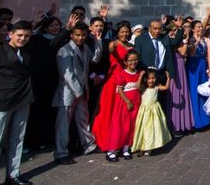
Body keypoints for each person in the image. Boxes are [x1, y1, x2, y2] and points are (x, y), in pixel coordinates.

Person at [52, 22, 102, 165]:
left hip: (82, 91)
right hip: (68, 92)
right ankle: (61, 153)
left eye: (83, 35)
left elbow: (95, 59)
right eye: (77, 35)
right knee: (63, 124)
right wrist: (78, 91)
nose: (80, 38)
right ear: (72, 35)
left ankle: (89, 145)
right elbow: (66, 75)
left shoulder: (85, 48)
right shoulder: (64, 50)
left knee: (83, 120)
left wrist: (98, 42)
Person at [0, 20, 34, 185]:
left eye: (27, 36)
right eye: (20, 35)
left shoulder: (28, 52)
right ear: (11, 34)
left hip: (23, 99)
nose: (23, 39)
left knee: (17, 139)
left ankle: (13, 175)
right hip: (2, 101)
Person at [92, 22, 134, 151]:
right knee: (109, 109)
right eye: (122, 32)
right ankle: (105, 139)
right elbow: (107, 54)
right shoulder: (113, 44)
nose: (124, 34)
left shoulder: (131, 46)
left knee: (122, 112)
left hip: (126, 79)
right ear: (117, 33)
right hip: (113, 79)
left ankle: (122, 139)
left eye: (126, 32)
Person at [24, 16, 61, 150]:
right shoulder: (38, 39)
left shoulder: (62, 40)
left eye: (57, 25)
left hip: (54, 79)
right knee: (35, 112)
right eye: (52, 25)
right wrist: (33, 23)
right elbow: (26, 37)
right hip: (39, 79)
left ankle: (46, 139)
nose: (55, 27)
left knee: (50, 110)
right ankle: (30, 142)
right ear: (45, 28)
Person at [134, 19, 184, 111]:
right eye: (155, 29)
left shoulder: (164, 37)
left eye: (159, 29)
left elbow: (176, 41)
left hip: (161, 74)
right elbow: (138, 57)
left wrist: (179, 27)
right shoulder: (140, 39)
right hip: (147, 75)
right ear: (150, 28)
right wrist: (142, 74)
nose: (157, 31)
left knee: (160, 102)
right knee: (147, 101)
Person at [104, 50, 143, 162]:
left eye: (135, 60)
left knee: (131, 126)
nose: (133, 62)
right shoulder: (122, 74)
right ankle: (111, 150)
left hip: (136, 103)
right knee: (120, 126)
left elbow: (139, 88)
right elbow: (120, 90)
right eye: (130, 60)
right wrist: (127, 101)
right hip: (124, 104)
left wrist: (140, 77)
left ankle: (126, 147)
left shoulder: (137, 73)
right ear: (125, 62)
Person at [131, 70, 171, 156]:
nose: (151, 80)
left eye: (153, 78)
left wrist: (168, 78)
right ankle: (142, 147)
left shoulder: (156, 86)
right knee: (143, 129)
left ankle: (149, 147)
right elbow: (137, 87)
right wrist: (140, 76)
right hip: (144, 112)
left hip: (154, 111)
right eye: (149, 79)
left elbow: (165, 88)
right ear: (145, 79)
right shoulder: (143, 88)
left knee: (151, 129)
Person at [166, 19, 194, 137]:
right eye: (172, 30)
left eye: (175, 30)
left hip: (181, 67)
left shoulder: (177, 41)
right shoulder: (171, 42)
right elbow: (182, 52)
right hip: (175, 68)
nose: (174, 32)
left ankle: (184, 124)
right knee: (176, 94)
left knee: (183, 93)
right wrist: (186, 39)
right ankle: (175, 125)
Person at [186, 21, 210, 130]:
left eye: (201, 27)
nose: (200, 29)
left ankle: (206, 119)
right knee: (194, 92)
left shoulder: (205, 39)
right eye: (198, 27)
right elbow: (191, 53)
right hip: (193, 67)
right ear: (193, 29)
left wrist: (209, 67)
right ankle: (196, 121)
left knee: (204, 92)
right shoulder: (190, 40)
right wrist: (196, 42)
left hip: (202, 65)